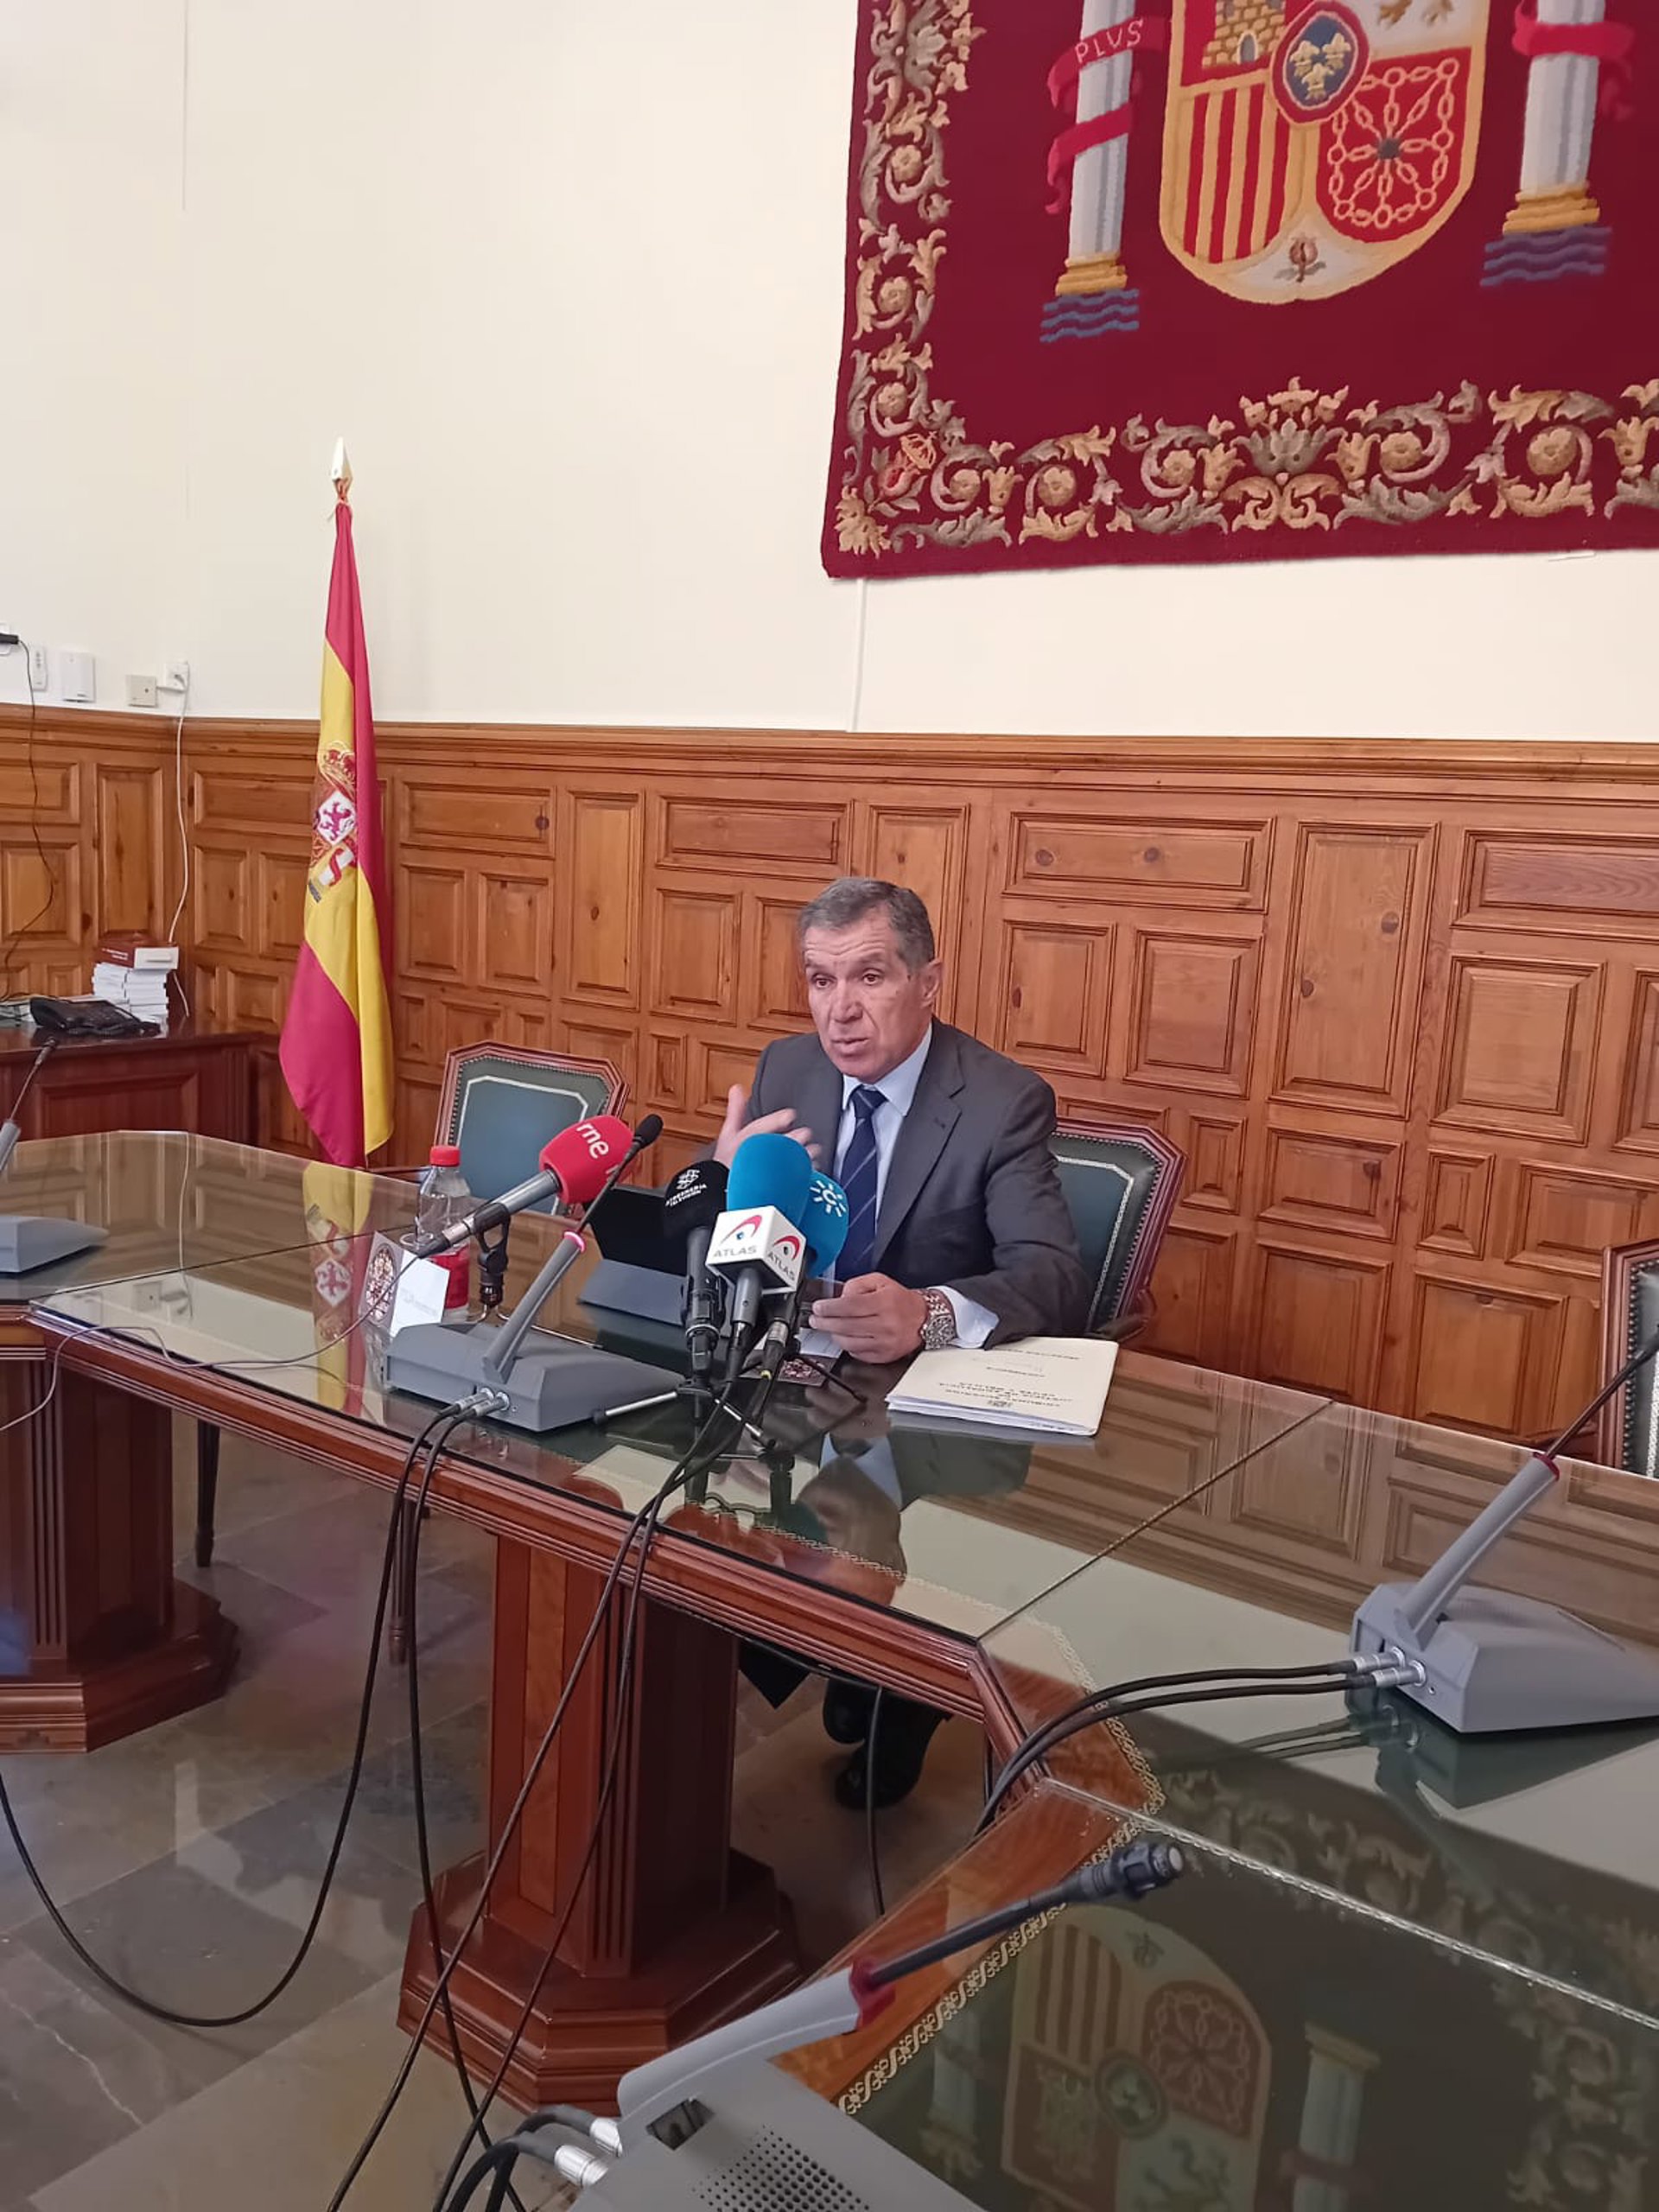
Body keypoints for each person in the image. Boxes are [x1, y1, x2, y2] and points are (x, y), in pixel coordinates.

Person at [715, 875, 1089, 1807]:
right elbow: (749, 1240)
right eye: (820, 980)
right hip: (797, 1383)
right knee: (681, 1521)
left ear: (928, 981)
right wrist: (725, 1185)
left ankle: (894, 1675)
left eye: (870, 977)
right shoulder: (788, 1070)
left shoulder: (1002, 1101)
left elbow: (1052, 1275)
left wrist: (928, 1313)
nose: (839, 1011)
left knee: (838, 1531)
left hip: (926, 1415)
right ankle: (798, 1647)